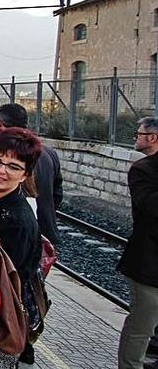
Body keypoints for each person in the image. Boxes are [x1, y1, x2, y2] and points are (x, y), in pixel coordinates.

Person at [0, 128, 44, 368]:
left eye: (13, 166)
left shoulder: (17, 221)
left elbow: (3, 282)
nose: (1, 171)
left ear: (25, 175)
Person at [118, 117, 158, 369]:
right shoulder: (143, 169)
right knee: (142, 325)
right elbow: (150, 206)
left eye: (138, 133)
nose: (136, 137)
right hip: (149, 262)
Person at [0, 103, 64, 245]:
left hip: (19, 236)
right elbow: (57, 194)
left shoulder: (1, 156)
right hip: (46, 231)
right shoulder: (49, 152)